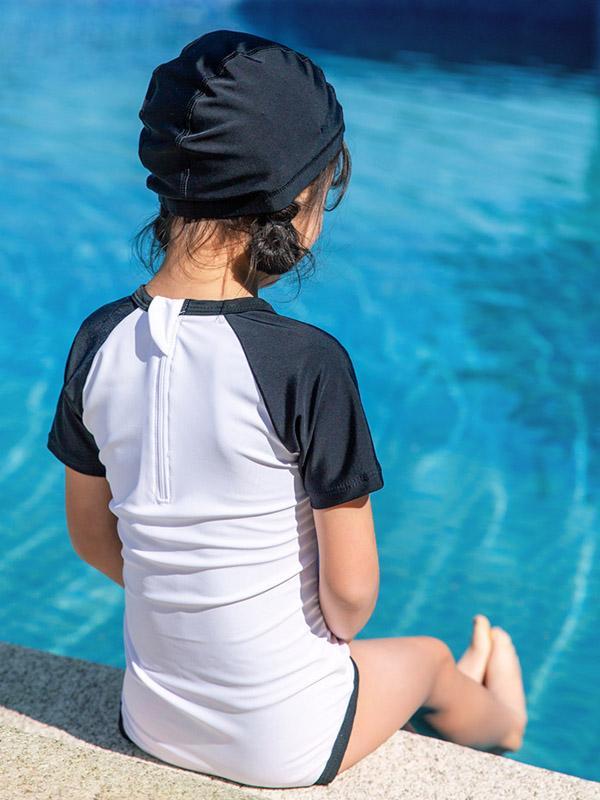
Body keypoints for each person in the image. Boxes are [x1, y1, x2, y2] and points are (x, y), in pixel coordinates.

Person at [46, 29, 527, 790]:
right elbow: (350, 603)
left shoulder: (97, 341)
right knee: (430, 662)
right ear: (299, 201)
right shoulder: (307, 363)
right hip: (283, 742)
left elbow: (90, 536)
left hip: (152, 718)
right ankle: (501, 719)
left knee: (384, 664)